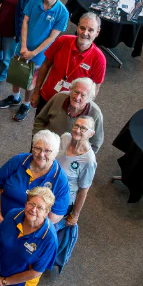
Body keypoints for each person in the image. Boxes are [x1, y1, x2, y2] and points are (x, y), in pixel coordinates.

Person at [0, 0, 68, 121]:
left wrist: (33, 53)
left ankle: (26, 103)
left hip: (39, 56)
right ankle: (15, 97)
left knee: (29, 84)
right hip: (22, 48)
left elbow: (52, 37)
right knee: (17, 75)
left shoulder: (62, 13)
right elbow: (25, 22)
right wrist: (23, 46)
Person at [0, 129, 70, 226]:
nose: (41, 154)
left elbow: (54, 217)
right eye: (38, 148)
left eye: (47, 151)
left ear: (55, 153)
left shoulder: (60, 180)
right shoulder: (18, 160)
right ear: (32, 148)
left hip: (28, 233)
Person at [31, 12, 106, 114]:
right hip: (47, 97)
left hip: (71, 107)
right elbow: (45, 65)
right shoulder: (62, 41)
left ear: (97, 32)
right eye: (82, 28)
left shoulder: (99, 59)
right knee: (39, 128)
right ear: (77, 27)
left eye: (91, 30)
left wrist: (83, 109)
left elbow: (95, 88)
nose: (85, 33)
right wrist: (36, 92)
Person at [52, 116, 97, 273]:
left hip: (63, 200)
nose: (78, 130)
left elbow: (84, 189)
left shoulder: (89, 160)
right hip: (47, 189)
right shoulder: (64, 138)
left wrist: (76, 214)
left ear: (91, 133)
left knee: (48, 228)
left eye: (83, 129)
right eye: (76, 126)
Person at [33, 77, 104, 152]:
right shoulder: (58, 98)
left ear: (89, 98)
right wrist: (37, 140)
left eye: (83, 95)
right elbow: (40, 120)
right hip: (45, 148)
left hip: (71, 157)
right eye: (76, 92)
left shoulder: (95, 114)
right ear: (70, 90)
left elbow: (96, 143)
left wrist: (80, 157)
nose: (77, 97)